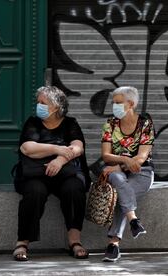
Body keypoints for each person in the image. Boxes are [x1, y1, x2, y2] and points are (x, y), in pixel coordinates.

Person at [13, 86, 91, 261]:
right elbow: (27, 148)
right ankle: (22, 243)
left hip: (64, 173)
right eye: (38, 102)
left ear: (56, 107)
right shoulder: (33, 123)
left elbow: (77, 147)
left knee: (74, 189)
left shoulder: (70, 123)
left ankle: (74, 242)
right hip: (36, 175)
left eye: (43, 103)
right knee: (34, 192)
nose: (38, 106)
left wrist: (59, 160)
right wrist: (58, 149)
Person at [100, 86, 155, 262]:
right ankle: (133, 221)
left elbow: (141, 158)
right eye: (113, 103)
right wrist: (124, 162)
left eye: (118, 103)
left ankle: (114, 243)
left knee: (120, 191)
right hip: (114, 171)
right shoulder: (110, 123)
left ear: (130, 104)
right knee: (117, 181)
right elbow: (105, 155)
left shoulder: (145, 123)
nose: (114, 106)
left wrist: (119, 165)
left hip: (142, 172)